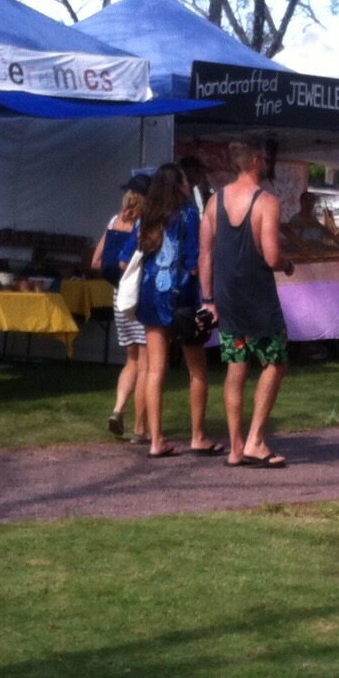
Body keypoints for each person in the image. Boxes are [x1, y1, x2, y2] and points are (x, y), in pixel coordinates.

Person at [200, 139, 295, 467]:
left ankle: (236, 447)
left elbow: (205, 253)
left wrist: (208, 299)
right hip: (257, 297)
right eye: (264, 159)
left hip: (227, 296)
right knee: (275, 363)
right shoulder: (266, 201)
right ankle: (255, 440)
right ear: (254, 161)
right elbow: (272, 256)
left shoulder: (215, 200)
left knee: (236, 366)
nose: (267, 163)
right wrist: (288, 264)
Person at [135, 163, 222, 458]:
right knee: (197, 368)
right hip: (182, 296)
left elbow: (131, 254)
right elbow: (195, 261)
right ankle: (198, 436)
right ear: (179, 184)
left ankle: (156, 439)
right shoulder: (188, 215)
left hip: (150, 295)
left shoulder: (147, 216)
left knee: (155, 369)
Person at [93, 175, 150, 441]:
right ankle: (140, 427)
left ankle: (118, 409)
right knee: (147, 363)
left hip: (119, 295)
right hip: (140, 295)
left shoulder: (114, 221)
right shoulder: (145, 223)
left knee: (132, 359)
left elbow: (96, 261)